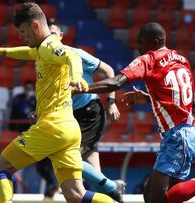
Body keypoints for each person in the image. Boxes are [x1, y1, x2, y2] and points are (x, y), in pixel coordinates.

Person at [74, 22, 195, 203]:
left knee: (154, 199)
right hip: (189, 134)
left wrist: (81, 88)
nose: (139, 48)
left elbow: (116, 82)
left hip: (178, 137)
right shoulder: (182, 60)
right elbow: (191, 101)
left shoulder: (149, 59)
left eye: (141, 43)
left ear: (155, 42)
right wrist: (151, 97)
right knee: (159, 196)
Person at [0, 3, 114, 203]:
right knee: (76, 195)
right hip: (68, 128)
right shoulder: (42, 48)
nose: (22, 37)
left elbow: (71, 56)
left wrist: (77, 76)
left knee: (0, 168)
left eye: (24, 32)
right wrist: (0, 51)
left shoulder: (50, 46)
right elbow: (27, 52)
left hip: (52, 126)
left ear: (35, 26)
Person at [46, 18, 125, 202]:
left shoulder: (75, 54)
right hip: (71, 116)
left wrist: (111, 102)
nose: (50, 38)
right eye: (47, 35)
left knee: (67, 158)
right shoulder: (46, 60)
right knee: (94, 174)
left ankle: (114, 187)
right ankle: (112, 193)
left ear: (61, 36)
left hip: (90, 113)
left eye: (53, 34)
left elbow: (109, 71)